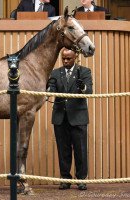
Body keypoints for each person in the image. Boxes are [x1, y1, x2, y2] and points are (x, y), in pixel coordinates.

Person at [47, 48, 93, 190]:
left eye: (68, 59)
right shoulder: (55, 73)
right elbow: (51, 90)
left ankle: (81, 179)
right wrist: (48, 89)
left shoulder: (84, 71)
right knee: (63, 150)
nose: (66, 61)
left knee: (80, 150)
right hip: (60, 118)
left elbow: (89, 91)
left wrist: (83, 87)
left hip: (78, 117)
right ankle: (65, 179)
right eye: (64, 59)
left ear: (75, 58)